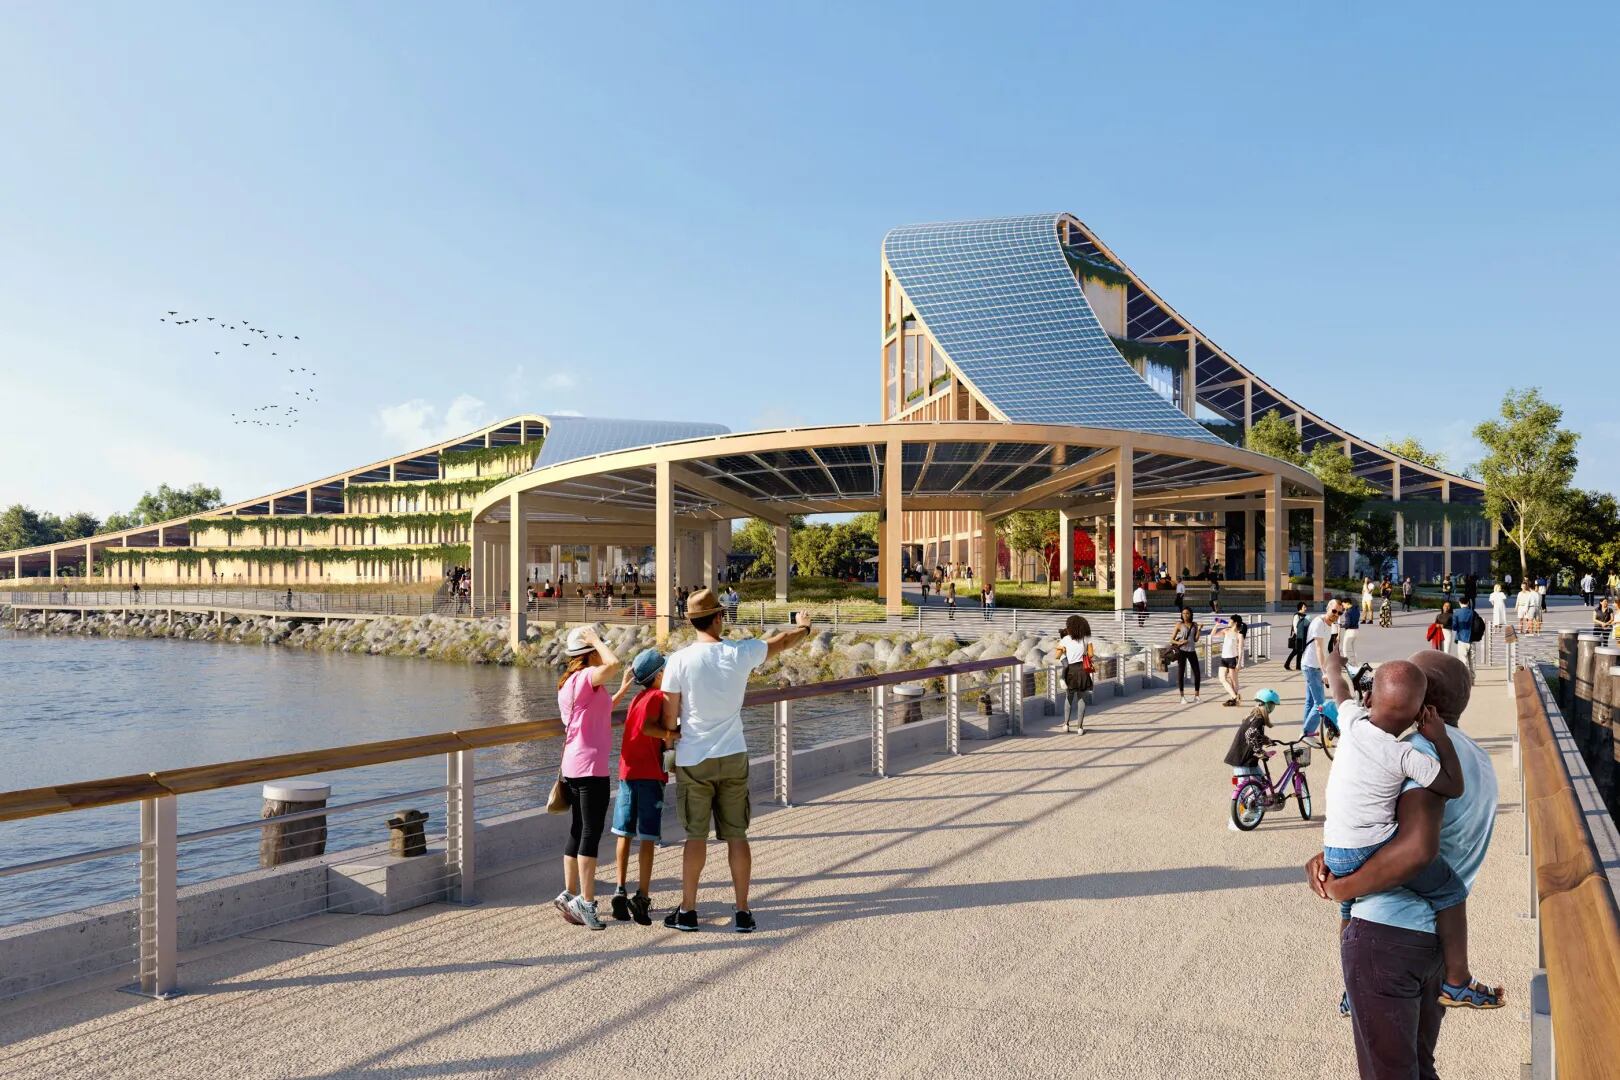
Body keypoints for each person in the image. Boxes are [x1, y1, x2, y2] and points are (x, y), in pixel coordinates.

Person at [1306, 649, 1504, 1073]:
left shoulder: (1419, 750)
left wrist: (1342, 885)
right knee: (1418, 1066)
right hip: (1432, 943)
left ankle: (1352, 989)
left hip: (1387, 938)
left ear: (1423, 703)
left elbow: (1416, 850)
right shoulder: (1480, 759)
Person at [660, 588, 813, 933]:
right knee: (737, 835)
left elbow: (670, 719)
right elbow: (781, 642)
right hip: (732, 753)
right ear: (718, 618)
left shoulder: (678, 661)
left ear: (692, 622)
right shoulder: (740, 652)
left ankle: (688, 911)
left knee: (695, 836)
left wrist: (672, 738)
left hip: (694, 758)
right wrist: (804, 628)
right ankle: (743, 911)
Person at [551, 625, 623, 930]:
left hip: (573, 765)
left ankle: (569, 893)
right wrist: (594, 639)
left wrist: (623, 690)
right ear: (590, 653)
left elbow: (598, 711)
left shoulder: (571, 683)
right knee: (591, 833)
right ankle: (587, 902)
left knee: (578, 828)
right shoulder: (585, 677)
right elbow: (614, 663)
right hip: (590, 766)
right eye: (597, 648)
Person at [608, 648, 677, 926]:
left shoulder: (637, 697)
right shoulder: (658, 697)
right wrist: (673, 733)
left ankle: (619, 888)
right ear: (659, 675)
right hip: (649, 774)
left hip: (628, 772)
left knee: (624, 832)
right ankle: (642, 895)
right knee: (647, 836)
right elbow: (649, 728)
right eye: (666, 670)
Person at [1223, 687, 1281, 831]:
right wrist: (1260, 752)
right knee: (1245, 791)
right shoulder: (1259, 719)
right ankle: (1237, 820)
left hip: (1247, 759)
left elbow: (1255, 734)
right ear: (1267, 704)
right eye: (1272, 705)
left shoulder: (1253, 716)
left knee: (1261, 782)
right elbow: (1250, 734)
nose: (1272, 708)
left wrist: (1267, 740)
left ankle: (1251, 810)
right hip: (1242, 760)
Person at [1300, 600, 1342, 738]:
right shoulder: (1319, 622)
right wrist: (1325, 672)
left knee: (1311, 702)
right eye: (1334, 611)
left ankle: (1306, 733)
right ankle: (1307, 733)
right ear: (1327, 608)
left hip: (1314, 666)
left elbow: (1325, 649)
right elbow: (1318, 648)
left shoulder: (1330, 625)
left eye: (1339, 612)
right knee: (1320, 703)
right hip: (1311, 667)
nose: (1336, 614)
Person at [1055, 614, 1094, 734]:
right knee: (1081, 699)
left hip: (1070, 671)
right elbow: (1091, 654)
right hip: (1082, 670)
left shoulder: (1065, 639)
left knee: (1069, 697)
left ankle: (1066, 724)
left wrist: (1064, 650)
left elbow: (1057, 655)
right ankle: (1080, 728)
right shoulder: (1086, 638)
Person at [1169, 607, 1202, 705]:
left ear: (1191, 614)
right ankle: (1182, 697)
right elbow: (1171, 640)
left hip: (1192, 651)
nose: (1185, 615)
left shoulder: (1194, 624)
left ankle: (1197, 696)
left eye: (1187, 613)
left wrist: (1199, 630)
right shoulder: (1179, 625)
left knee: (1197, 673)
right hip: (1182, 651)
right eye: (1183, 613)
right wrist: (1180, 642)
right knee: (1181, 673)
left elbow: (1195, 639)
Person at [1215, 614, 1247, 706]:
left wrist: (1239, 663)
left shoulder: (1239, 635)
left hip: (1232, 659)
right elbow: (1213, 635)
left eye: (1230, 620)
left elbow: (1240, 650)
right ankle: (1235, 697)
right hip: (1224, 658)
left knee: (1233, 680)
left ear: (1235, 623)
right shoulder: (1226, 630)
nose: (1228, 622)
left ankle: (1234, 699)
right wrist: (1217, 625)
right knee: (1222, 678)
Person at [1451, 600, 1481, 683]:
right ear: (1468, 603)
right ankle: (1472, 679)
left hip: (1462, 639)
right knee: (1472, 660)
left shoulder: (1457, 613)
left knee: (1463, 660)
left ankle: (1465, 679)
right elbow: (1478, 626)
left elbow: (1454, 627)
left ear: (1460, 603)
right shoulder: (1473, 613)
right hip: (1472, 639)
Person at [1283, 601, 1310, 671]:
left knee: (1300, 651)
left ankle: (1298, 666)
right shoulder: (1296, 616)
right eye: (1304, 607)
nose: (1306, 608)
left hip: (1303, 636)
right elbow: (1295, 627)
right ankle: (1286, 664)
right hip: (1298, 636)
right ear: (1300, 608)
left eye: (1306, 607)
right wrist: (1299, 635)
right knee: (1295, 651)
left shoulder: (1305, 616)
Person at [1340, 597, 1362, 664]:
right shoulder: (1357, 610)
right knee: (1354, 648)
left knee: (1344, 647)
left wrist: (1341, 626)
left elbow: (1348, 624)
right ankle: (1356, 662)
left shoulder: (1347, 612)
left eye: (1343, 605)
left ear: (1347, 603)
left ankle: (1346, 663)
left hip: (1349, 631)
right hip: (1357, 631)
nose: (1343, 606)